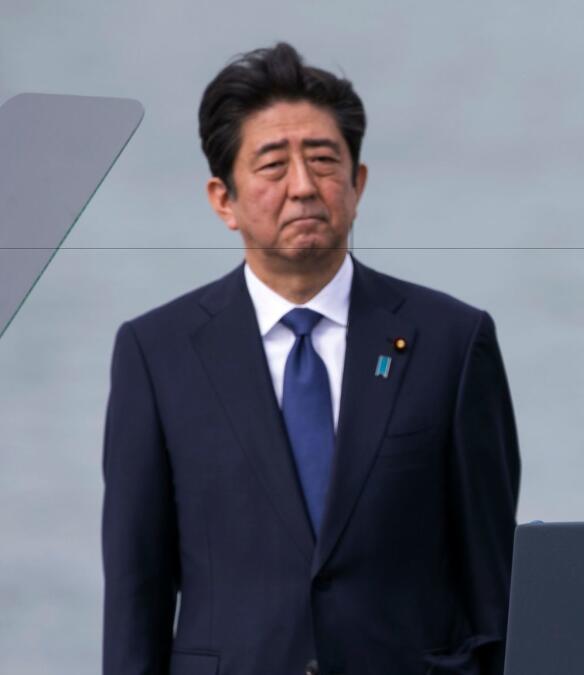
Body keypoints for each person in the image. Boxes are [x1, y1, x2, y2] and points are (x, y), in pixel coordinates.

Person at [102, 43, 520, 675]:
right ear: (224, 199)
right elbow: (137, 595)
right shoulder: (156, 355)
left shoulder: (453, 343)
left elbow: (496, 585)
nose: (302, 186)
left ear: (357, 183)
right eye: (272, 166)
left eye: (324, 160)